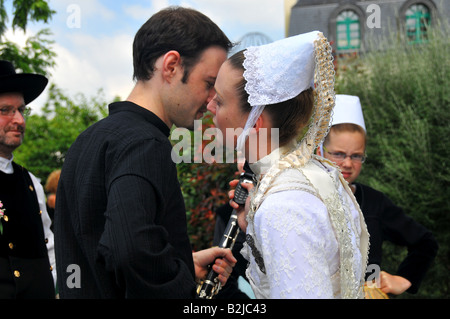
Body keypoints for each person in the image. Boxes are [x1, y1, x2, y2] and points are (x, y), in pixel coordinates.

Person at [54, 6, 236, 299]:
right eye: (209, 83)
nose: (213, 101)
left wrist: (182, 264)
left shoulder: (88, 139)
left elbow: (97, 255)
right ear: (171, 66)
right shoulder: (145, 143)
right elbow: (129, 249)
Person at [207, 31, 369, 298]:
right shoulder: (312, 171)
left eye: (220, 100)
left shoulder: (283, 204)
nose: (211, 106)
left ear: (256, 123)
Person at [316, 94, 438, 296]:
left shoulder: (374, 202)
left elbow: (425, 243)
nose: (348, 163)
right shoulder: (303, 198)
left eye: (356, 156)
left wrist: (404, 279)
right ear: (320, 152)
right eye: (338, 154)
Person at [0, 60, 56, 298]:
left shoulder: (32, 183)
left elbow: (50, 249)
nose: (20, 121)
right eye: (6, 111)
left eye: (21, 110)